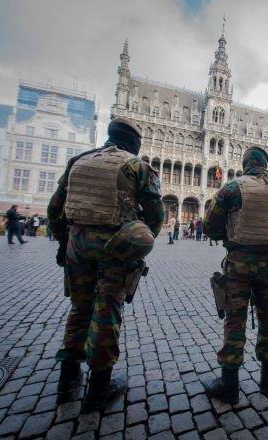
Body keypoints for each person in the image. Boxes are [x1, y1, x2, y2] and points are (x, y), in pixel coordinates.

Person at [47, 117, 164, 413]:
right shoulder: (137, 167)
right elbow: (155, 216)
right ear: (135, 144)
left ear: (109, 136)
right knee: (107, 312)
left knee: (80, 307)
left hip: (77, 245)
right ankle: (99, 387)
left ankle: (68, 379)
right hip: (115, 249)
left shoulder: (79, 161)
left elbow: (54, 209)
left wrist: (65, 242)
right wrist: (137, 241)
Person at [202, 146, 268, 404]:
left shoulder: (232, 188)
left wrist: (231, 238)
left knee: (234, 320)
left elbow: (210, 227)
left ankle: (229, 384)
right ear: (266, 164)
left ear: (246, 163)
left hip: (238, 264)